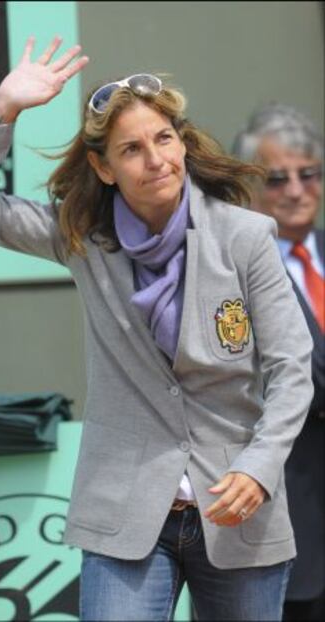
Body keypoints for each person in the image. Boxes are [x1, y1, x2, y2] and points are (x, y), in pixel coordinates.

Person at [0, 35, 315, 621]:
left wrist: (259, 468)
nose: (156, 159)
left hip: (238, 509)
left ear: (183, 145)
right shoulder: (83, 237)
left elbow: (293, 369)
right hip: (124, 515)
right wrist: (3, 110)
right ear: (103, 167)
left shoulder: (244, 236)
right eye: (132, 149)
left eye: (165, 139)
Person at [232, 103, 324, 622]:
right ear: (249, 186)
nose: (295, 189)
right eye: (276, 178)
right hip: (285, 511)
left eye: (308, 174)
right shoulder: (233, 267)